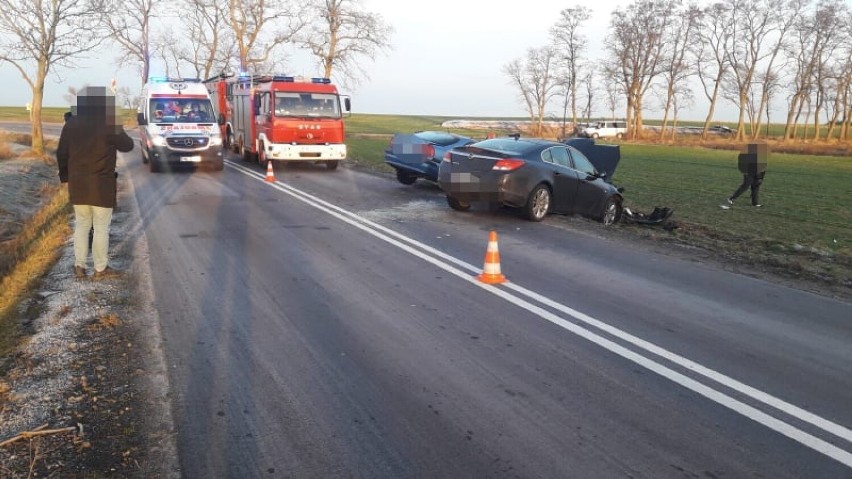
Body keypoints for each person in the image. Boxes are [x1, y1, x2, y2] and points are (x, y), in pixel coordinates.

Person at [57, 86, 134, 280]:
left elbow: (61, 153)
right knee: (101, 228)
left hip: (78, 185)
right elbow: (128, 145)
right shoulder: (109, 123)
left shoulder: (71, 123)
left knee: (81, 225)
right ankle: (100, 269)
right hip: (101, 185)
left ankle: (79, 267)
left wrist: (65, 177)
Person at [727, 142, 768, 207]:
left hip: (757, 174)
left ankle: (755, 203)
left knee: (755, 187)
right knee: (745, 186)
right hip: (749, 173)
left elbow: (763, 168)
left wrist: (761, 178)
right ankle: (731, 198)